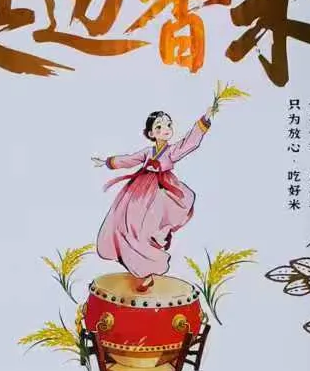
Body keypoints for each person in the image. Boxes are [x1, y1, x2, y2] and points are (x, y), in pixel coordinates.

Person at [92, 96, 222, 292]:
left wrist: (204, 120)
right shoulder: (148, 151)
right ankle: (134, 263)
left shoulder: (171, 151)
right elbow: (130, 159)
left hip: (162, 190)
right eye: (159, 127)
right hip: (139, 190)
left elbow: (189, 143)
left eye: (168, 125)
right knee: (128, 224)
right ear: (151, 133)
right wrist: (108, 162)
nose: (166, 129)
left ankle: (150, 263)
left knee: (149, 229)